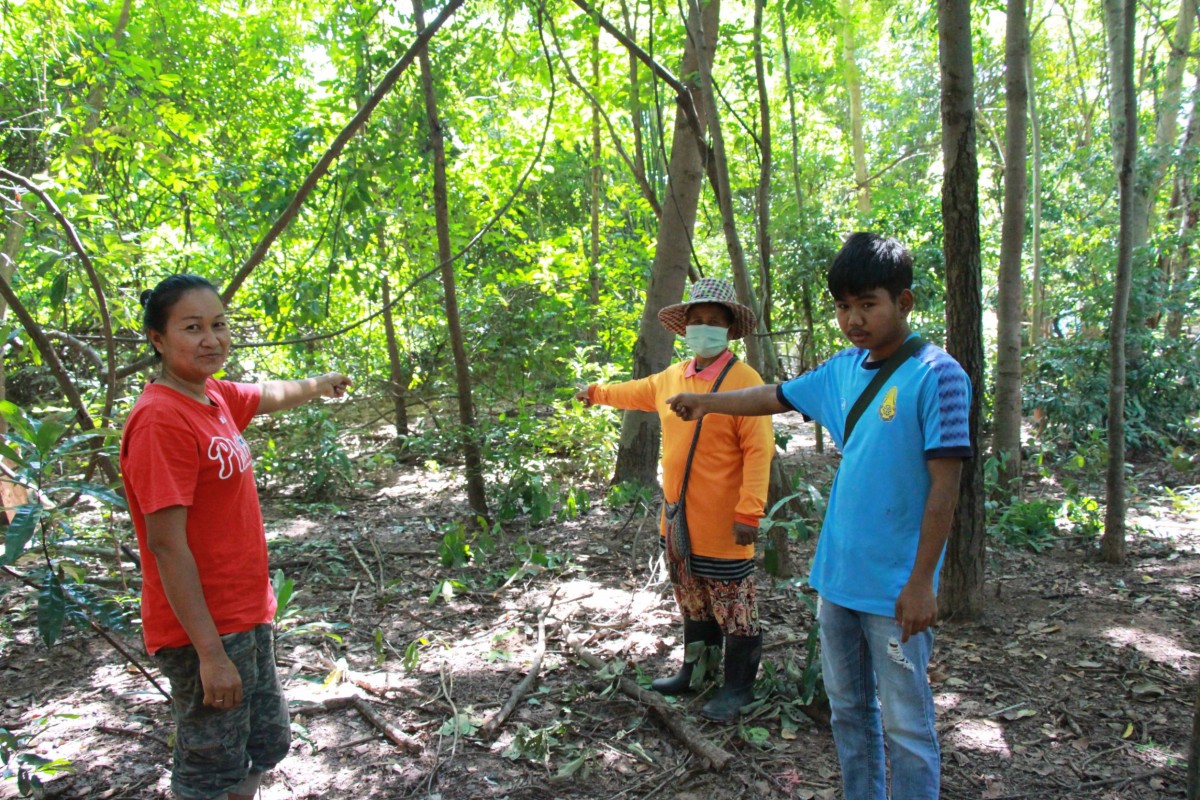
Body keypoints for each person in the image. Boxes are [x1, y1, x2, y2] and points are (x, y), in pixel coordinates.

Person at [665, 233, 972, 799]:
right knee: (849, 712)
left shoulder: (938, 376)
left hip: (896, 591)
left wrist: (922, 583)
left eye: (867, 304)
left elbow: (944, 489)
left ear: (903, 302)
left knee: (906, 726)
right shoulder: (843, 369)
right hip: (838, 582)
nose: (853, 319)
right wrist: (706, 401)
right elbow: (773, 396)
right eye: (843, 306)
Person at [120, 274, 352, 800]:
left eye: (219, 325)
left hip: (246, 612)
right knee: (210, 766)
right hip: (203, 628)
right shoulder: (161, 419)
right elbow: (166, 545)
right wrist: (209, 654)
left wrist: (318, 384)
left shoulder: (211, 396)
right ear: (158, 339)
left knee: (260, 745)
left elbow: (266, 394)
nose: (212, 339)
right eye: (193, 327)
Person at [575, 277, 774, 722]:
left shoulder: (745, 381)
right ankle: (696, 672)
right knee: (693, 598)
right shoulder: (672, 377)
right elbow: (633, 391)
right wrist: (594, 394)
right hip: (679, 519)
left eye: (714, 322)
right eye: (697, 321)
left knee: (734, 605)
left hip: (727, 524)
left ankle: (739, 687)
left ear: (729, 330)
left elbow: (759, 451)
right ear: (684, 329)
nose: (704, 328)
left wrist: (750, 510)